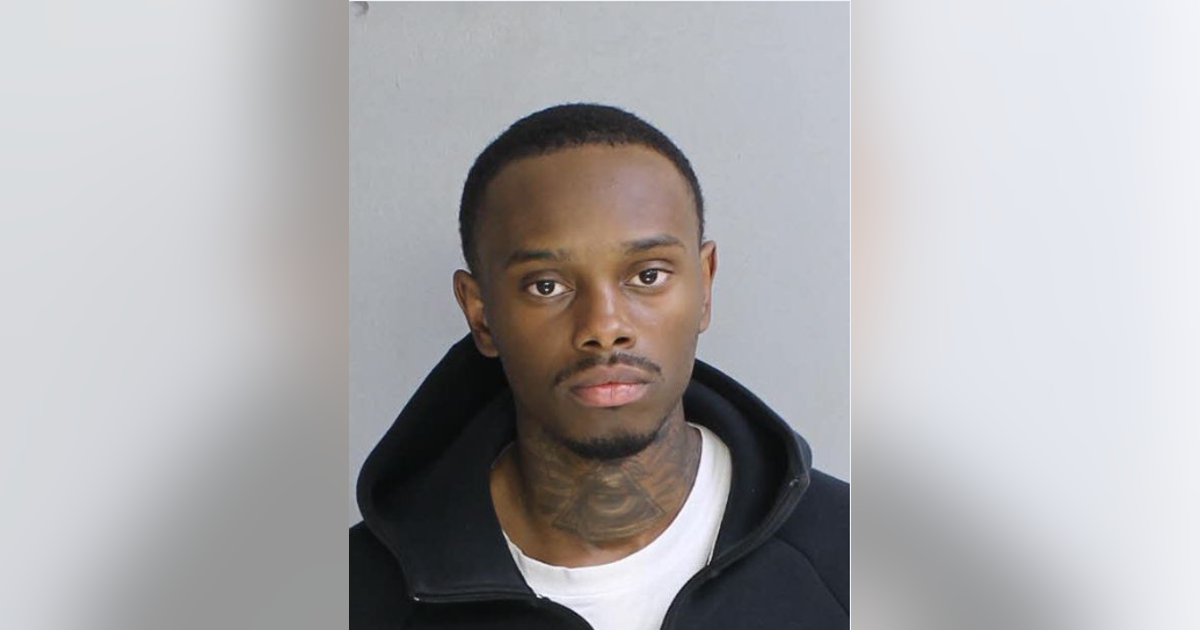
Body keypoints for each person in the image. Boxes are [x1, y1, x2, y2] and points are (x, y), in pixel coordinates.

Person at [350, 104, 848, 630]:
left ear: (704, 285)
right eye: (546, 285)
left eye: (648, 276)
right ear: (480, 313)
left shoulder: (852, 557)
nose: (604, 327)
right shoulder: (355, 597)